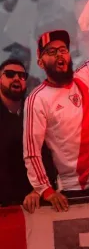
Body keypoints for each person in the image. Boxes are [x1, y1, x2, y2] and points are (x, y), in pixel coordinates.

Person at [24, 30, 89, 212]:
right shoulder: (37, 99)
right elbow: (31, 152)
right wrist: (45, 190)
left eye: (63, 49)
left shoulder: (84, 77)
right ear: (40, 62)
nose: (59, 54)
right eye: (51, 52)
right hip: (73, 191)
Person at [0, 59, 55, 212]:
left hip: (33, 203)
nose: (17, 78)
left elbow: (48, 155)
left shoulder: (34, 111)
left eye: (22, 75)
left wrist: (39, 189)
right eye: (10, 74)